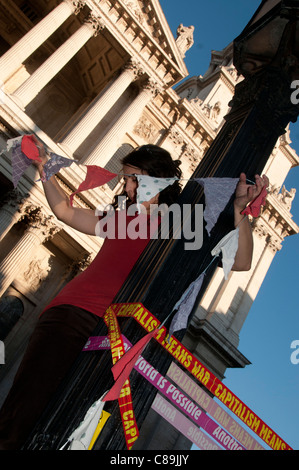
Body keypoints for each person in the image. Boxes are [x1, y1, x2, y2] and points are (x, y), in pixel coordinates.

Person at [0, 138, 268, 449]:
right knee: (24, 410)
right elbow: (65, 212)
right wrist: (45, 168)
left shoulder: (182, 226)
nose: (124, 186)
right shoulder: (120, 216)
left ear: (155, 180)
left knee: (70, 423)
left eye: (131, 178)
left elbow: (243, 261)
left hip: (120, 337)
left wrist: (241, 212)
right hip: (71, 315)